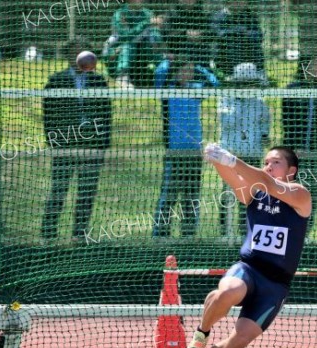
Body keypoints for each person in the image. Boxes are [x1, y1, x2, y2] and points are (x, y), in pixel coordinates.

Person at [174, 145, 311, 348]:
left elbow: (267, 183)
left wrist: (232, 160)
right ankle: (201, 334)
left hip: (276, 284)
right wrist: (217, 160)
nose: (268, 165)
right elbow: (239, 181)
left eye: (276, 162)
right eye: (266, 161)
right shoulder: (255, 194)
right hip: (249, 268)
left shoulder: (300, 195)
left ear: (291, 170)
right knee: (228, 291)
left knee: (239, 342)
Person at [41, 38, 112, 243]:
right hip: (65, 144)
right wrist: (54, 141)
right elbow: (49, 114)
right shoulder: (56, 81)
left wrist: (102, 144)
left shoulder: (98, 81)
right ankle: (48, 234)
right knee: (59, 189)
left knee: (86, 191)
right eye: (75, 52)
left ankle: (79, 235)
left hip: (91, 145)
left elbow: (106, 113)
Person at [152, 58, 219, 238]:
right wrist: (169, 61)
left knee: (191, 196)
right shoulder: (167, 89)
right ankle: (160, 235)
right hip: (175, 151)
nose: (189, 73)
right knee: (169, 196)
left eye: (190, 69)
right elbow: (159, 74)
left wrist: (198, 66)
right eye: (185, 69)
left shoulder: (196, 89)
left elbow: (215, 84)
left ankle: (188, 235)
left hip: (194, 151)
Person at [281, 55, 317, 232]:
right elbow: (288, 121)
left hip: (315, 154)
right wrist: (292, 148)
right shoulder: (292, 89)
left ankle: (306, 231)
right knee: (290, 192)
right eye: (315, 65)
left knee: (311, 192)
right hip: (295, 156)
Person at [218, 62, 270, 236]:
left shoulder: (260, 103)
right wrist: (240, 103)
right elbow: (227, 123)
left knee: (251, 194)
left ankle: (247, 231)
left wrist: (264, 135)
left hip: (252, 155)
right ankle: (226, 233)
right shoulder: (226, 100)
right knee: (229, 193)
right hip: (231, 155)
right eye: (244, 83)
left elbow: (265, 125)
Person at [102, 0, 154, 89]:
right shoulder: (120, 14)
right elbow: (125, 36)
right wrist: (145, 23)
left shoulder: (148, 13)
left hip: (142, 52)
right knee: (127, 45)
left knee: (154, 38)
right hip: (119, 54)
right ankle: (122, 77)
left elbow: (153, 32)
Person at [211, 0, 265, 79]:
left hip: (246, 52)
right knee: (230, 44)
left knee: (256, 46)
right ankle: (229, 75)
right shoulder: (218, 16)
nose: (240, 3)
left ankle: (259, 73)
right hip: (226, 55)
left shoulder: (250, 16)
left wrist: (244, 35)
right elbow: (218, 34)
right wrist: (239, 31)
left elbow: (259, 35)